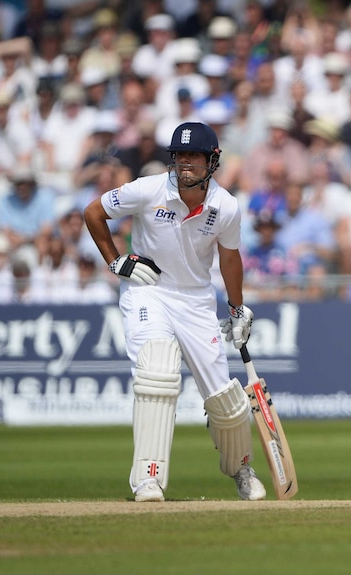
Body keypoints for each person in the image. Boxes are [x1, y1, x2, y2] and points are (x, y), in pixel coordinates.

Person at [83, 121, 267, 503]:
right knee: (157, 373)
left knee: (226, 401)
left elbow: (229, 258)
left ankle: (241, 468)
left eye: (194, 156)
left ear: (212, 161)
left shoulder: (226, 206)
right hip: (149, 292)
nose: (185, 164)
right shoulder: (148, 189)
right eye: (180, 155)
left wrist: (237, 308)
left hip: (197, 300)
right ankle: (148, 478)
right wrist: (116, 261)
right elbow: (93, 213)